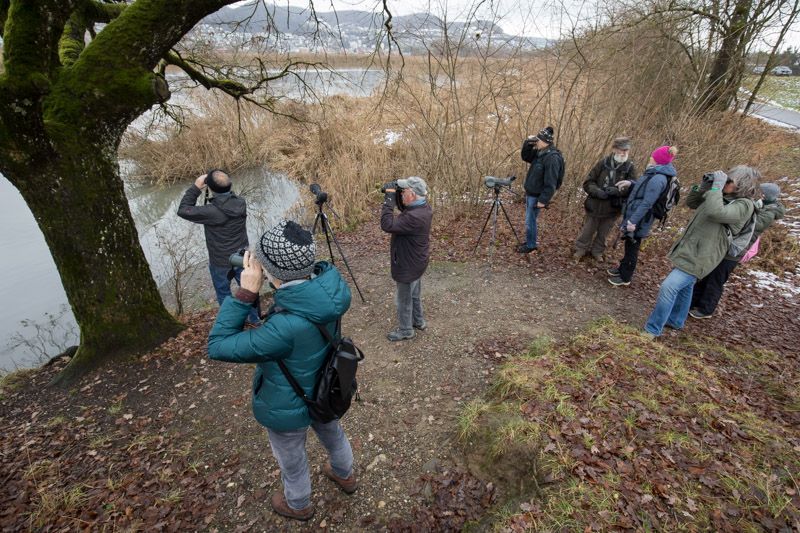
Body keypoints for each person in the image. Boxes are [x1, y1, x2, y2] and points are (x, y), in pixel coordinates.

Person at [207, 220, 356, 522]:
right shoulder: (328, 288)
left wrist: (246, 294)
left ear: (272, 272)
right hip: (326, 387)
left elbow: (219, 345)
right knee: (332, 433)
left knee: (292, 458)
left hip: (287, 404)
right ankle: (345, 475)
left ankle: (298, 504)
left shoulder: (283, 327)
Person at [643, 166, 759, 338]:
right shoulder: (719, 194)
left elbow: (715, 212)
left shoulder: (744, 205)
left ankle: (652, 329)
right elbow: (692, 202)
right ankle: (676, 320)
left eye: (729, 181)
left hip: (705, 254)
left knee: (669, 287)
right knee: (687, 286)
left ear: (741, 185)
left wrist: (716, 188)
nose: (725, 183)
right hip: (690, 248)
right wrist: (705, 185)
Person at [689, 182, 785, 319]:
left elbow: (751, 225)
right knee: (706, 274)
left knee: (716, 279)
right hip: (726, 245)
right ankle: (692, 302)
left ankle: (706, 309)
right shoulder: (759, 206)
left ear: (766, 195)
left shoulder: (769, 213)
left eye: (761, 192)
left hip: (735, 250)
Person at [177, 169, 259, 323]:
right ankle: (255, 320)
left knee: (223, 293)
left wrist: (196, 188)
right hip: (243, 256)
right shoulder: (240, 202)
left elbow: (183, 210)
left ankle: (231, 323)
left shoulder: (210, 211)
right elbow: (225, 200)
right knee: (250, 289)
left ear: (210, 188)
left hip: (220, 261)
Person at [607, 145, 678, 286]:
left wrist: (632, 221)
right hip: (636, 214)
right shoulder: (653, 173)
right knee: (628, 244)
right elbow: (643, 187)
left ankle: (625, 277)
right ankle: (622, 269)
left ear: (658, 160)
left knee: (632, 245)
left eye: (653, 156)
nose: (650, 157)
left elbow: (647, 203)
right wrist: (631, 183)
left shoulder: (658, 178)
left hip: (640, 218)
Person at [380, 176, 433, 341]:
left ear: (413, 194)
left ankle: (405, 330)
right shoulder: (424, 207)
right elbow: (405, 207)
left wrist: (389, 199)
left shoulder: (413, 217)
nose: (401, 194)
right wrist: (394, 191)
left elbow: (387, 225)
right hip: (417, 262)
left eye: (404, 191)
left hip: (407, 265)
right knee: (415, 294)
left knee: (404, 299)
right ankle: (419, 321)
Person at [574, 137, 637, 261]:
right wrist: (597, 191)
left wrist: (618, 191)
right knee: (587, 230)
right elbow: (588, 182)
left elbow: (633, 187)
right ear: (614, 149)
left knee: (603, 233)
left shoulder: (630, 168)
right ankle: (580, 249)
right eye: (622, 149)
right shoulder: (603, 163)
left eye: (626, 150)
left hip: (613, 208)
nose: (624, 153)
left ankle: (597, 252)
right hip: (595, 204)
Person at [518, 126, 565, 253]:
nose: (536, 142)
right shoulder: (541, 152)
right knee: (530, 220)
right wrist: (528, 142)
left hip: (537, 196)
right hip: (531, 193)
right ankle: (530, 241)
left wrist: (543, 200)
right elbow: (526, 156)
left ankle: (531, 245)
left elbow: (551, 182)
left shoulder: (552, 158)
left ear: (545, 141)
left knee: (530, 221)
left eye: (538, 140)